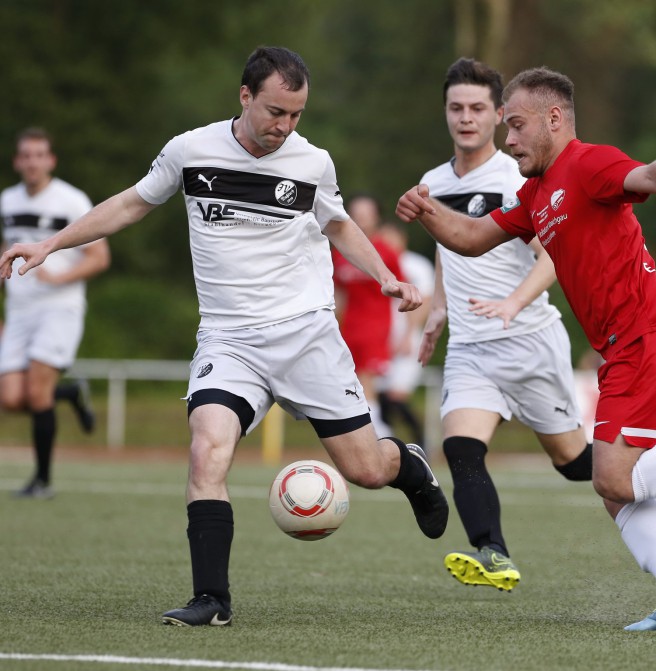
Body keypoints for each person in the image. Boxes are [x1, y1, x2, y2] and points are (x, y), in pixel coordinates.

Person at [0, 46, 449, 627]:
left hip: (306, 335)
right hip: (228, 340)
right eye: (274, 112)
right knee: (206, 450)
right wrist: (49, 244)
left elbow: (337, 222)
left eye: (296, 115)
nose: (284, 127)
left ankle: (408, 466)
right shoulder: (190, 150)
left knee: (365, 470)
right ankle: (212, 599)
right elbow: (131, 205)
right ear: (244, 96)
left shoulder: (311, 161)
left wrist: (386, 277)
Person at [397, 66, 656, 631]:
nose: (508, 139)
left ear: (555, 119)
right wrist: (426, 211)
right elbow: (471, 239)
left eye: (517, 126)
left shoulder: (588, 163)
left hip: (649, 343)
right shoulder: (536, 192)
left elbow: (649, 176)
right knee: (619, 491)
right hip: (631, 350)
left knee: (613, 477)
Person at [414, 58, 600, 592]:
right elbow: (450, 251)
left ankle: (648, 479)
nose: (465, 118)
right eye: (456, 108)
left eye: (477, 108)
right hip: (473, 348)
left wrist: (515, 302)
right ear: (445, 112)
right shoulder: (432, 182)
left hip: (530, 343)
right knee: (461, 448)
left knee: (571, 461)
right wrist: (438, 313)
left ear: (499, 115)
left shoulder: (519, 178)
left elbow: (552, 257)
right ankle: (492, 553)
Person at [1, 127, 108, 499]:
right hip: (19, 311)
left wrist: (59, 277)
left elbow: (99, 257)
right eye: (25, 155)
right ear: (17, 161)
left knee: (36, 389)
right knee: (12, 398)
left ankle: (42, 481)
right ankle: (71, 394)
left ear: (51, 160)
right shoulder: (7, 201)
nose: (32, 162)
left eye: (39, 155)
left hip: (59, 308)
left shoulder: (71, 200)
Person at [332, 194, 401, 437]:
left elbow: (402, 289)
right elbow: (338, 292)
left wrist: (407, 334)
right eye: (356, 214)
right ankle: (367, 427)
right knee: (351, 379)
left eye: (366, 214)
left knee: (367, 376)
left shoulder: (386, 251)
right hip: (349, 324)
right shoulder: (340, 252)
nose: (361, 219)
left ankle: (377, 429)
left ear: (376, 217)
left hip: (376, 324)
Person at [376, 220, 433, 449]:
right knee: (379, 398)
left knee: (396, 396)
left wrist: (409, 334)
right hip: (379, 339)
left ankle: (421, 440)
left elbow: (425, 301)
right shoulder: (377, 266)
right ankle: (387, 443)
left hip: (406, 341)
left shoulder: (416, 266)